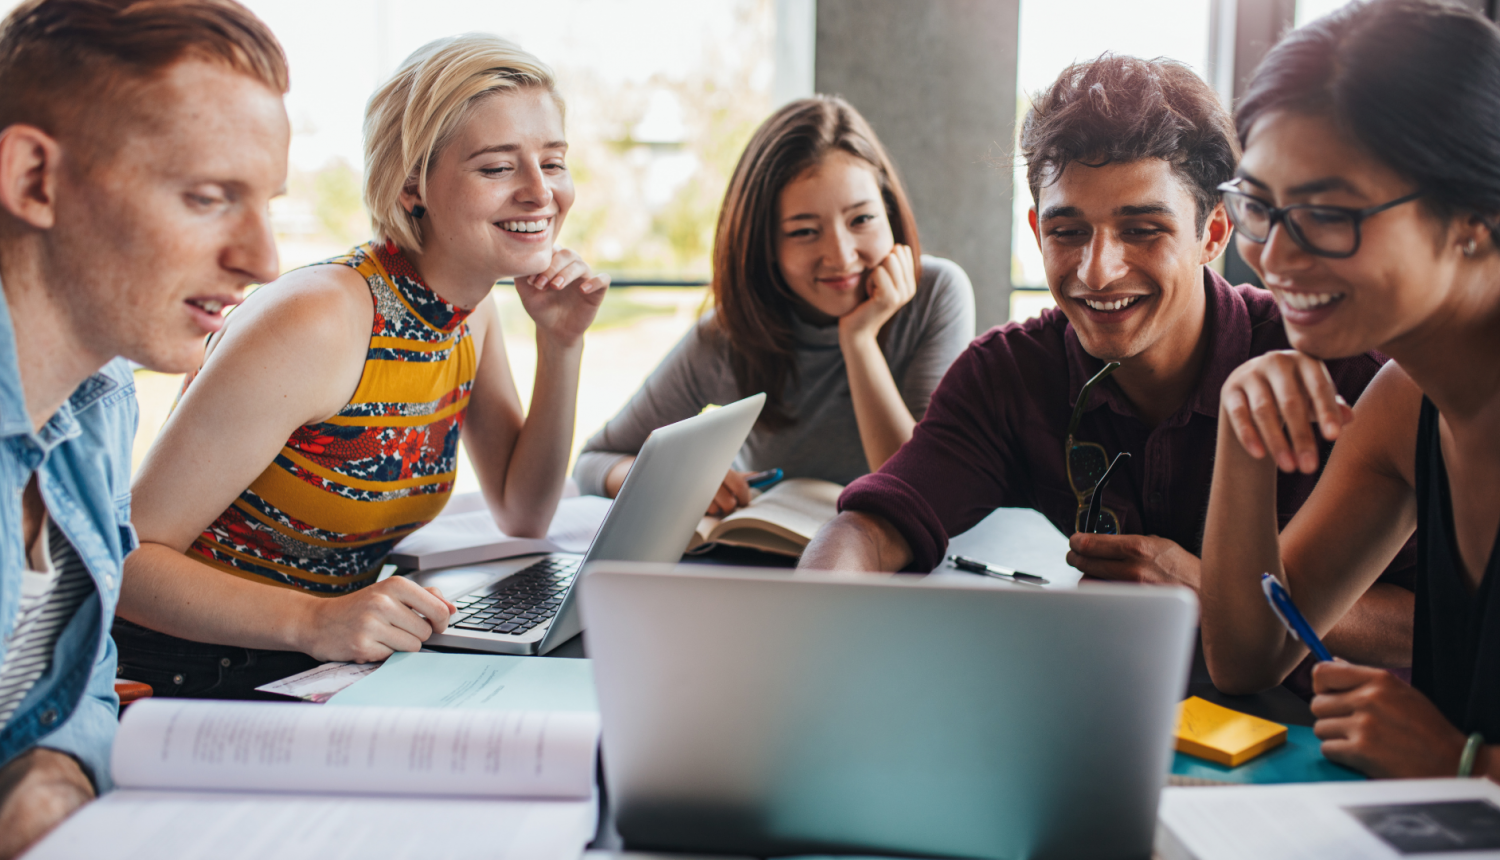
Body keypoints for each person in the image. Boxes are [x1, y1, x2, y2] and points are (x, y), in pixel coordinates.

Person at [799, 54, 1415, 676]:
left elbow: (1439, 627)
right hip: (1104, 710)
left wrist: (1209, 589)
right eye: (1068, 232)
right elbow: (868, 531)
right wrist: (809, 639)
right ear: (1038, 230)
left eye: (1143, 230)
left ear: (1214, 233)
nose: (1098, 271)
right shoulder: (1007, 373)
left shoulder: (1348, 374)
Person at [115, 33, 608, 698]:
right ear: (413, 186)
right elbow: (127, 562)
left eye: (552, 163)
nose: (539, 192)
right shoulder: (317, 319)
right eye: (497, 168)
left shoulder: (470, 310)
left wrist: (562, 342)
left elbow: (524, 511)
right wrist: (316, 619)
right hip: (192, 675)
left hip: (316, 667)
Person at [0, 0, 290, 854]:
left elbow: (79, 688)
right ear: (33, 182)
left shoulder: (99, 395)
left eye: (266, 203)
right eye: (208, 197)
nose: (264, 260)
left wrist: (55, 771)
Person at [1200, 0, 1500, 780]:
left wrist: (1461, 763)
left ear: (1476, 217)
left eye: (1328, 214)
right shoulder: (1407, 404)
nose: (1274, 257)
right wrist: (1244, 435)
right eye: (1260, 207)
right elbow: (1249, 655)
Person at [572, 96, 975, 515]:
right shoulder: (729, 336)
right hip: (767, 565)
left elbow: (916, 489)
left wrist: (858, 339)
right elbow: (593, 463)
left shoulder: (937, 294)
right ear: (765, 245)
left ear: (889, 212)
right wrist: (675, 483)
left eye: (861, 220)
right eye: (804, 231)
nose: (840, 256)